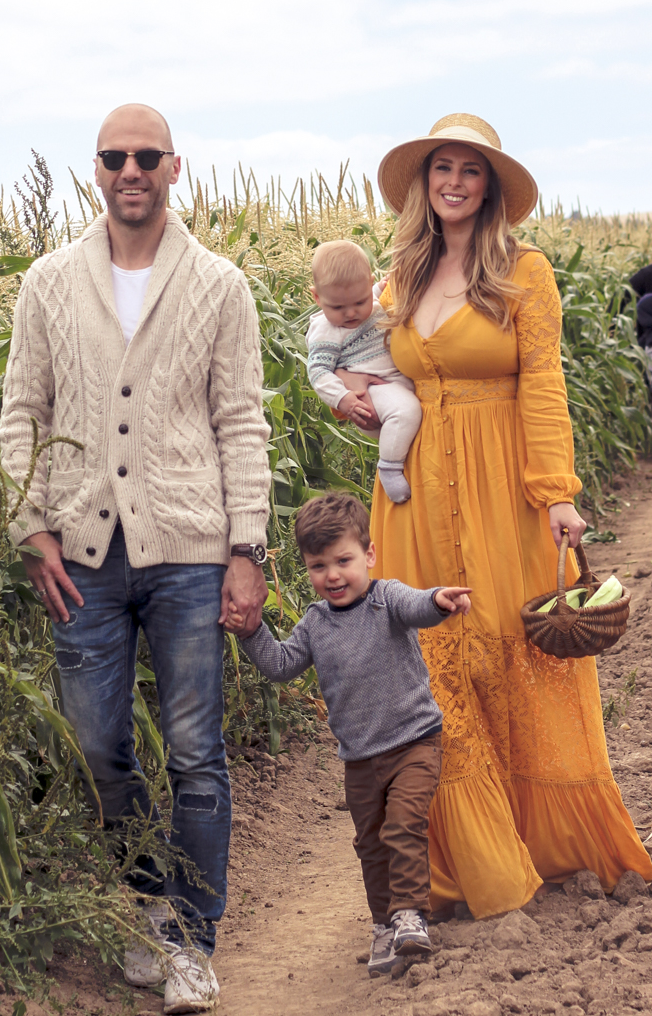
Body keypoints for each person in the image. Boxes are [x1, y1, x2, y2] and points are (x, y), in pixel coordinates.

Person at [0, 103, 271, 1015]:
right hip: (80, 552)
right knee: (95, 746)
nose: (130, 170)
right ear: (98, 169)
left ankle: (195, 943)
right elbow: (21, 414)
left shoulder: (219, 284)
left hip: (191, 552)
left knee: (197, 751)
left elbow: (241, 420)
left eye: (146, 156)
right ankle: (152, 903)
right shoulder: (47, 282)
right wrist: (25, 526)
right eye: (114, 157)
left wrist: (248, 548)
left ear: (174, 167)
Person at [357, 112, 652, 918]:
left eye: (470, 170)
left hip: (499, 482)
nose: (453, 182)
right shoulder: (399, 277)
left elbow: (545, 383)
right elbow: (387, 383)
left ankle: (540, 837)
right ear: (424, 182)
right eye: (441, 167)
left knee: (509, 651)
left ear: (490, 188)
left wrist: (556, 491)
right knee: (434, 661)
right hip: (416, 487)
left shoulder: (525, 272)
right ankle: (470, 859)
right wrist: (368, 409)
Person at [233, 492, 471, 977]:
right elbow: (280, 665)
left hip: (414, 742)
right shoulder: (316, 624)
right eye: (319, 566)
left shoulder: (388, 600)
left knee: (403, 824)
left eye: (343, 560)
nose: (333, 575)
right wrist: (251, 631)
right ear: (306, 568)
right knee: (369, 843)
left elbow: (418, 606)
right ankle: (385, 924)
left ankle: (409, 915)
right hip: (360, 758)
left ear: (370, 555)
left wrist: (439, 601)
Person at [306, 239, 423, 503]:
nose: (350, 313)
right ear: (316, 297)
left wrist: (384, 286)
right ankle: (390, 468)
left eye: (359, 302)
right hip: (371, 395)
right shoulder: (326, 330)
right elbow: (318, 372)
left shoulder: (368, 299)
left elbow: (375, 293)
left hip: (392, 385)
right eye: (337, 307)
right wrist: (343, 399)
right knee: (407, 411)